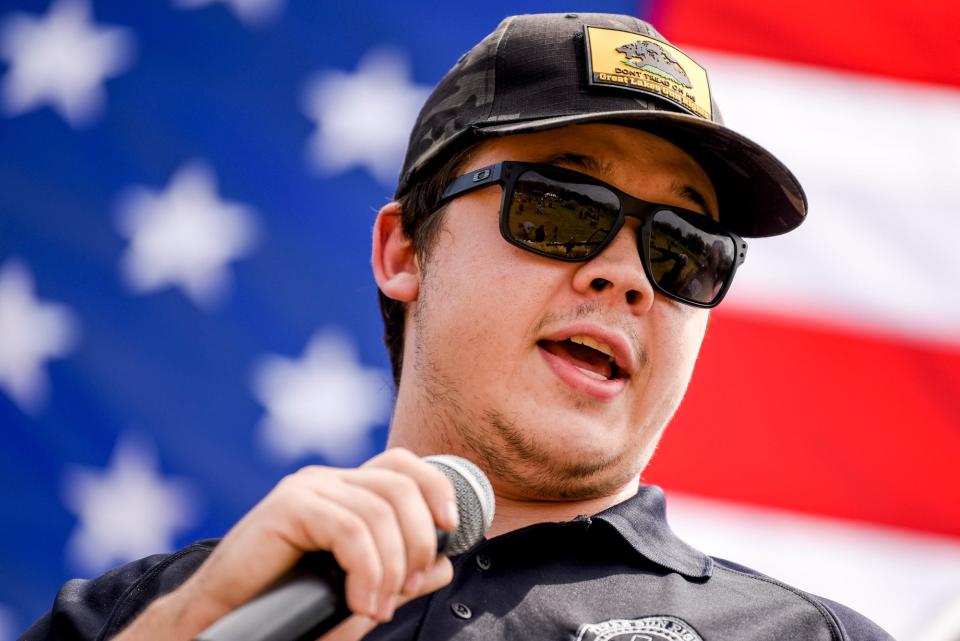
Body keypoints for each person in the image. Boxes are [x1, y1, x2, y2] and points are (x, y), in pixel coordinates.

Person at [23, 13, 894, 641]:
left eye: (686, 248)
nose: (626, 274)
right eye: (560, 205)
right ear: (405, 249)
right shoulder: (133, 616)